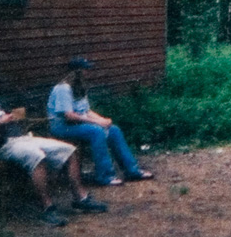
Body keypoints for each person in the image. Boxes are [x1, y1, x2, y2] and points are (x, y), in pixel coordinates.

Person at [0, 67, 108, 226]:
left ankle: (81, 198)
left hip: (22, 139)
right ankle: (48, 208)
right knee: (37, 156)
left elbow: (6, 118)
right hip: (2, 146)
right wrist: (0, 122)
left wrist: (13, 118)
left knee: (69, 150)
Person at [47, 57, 154, 186]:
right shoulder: (63, 89)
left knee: (114, 130)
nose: (88, 72)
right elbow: (69, 116)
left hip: (78, 124)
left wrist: (102, 119)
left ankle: (132, 170)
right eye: (86, 70)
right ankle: (104, 176)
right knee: (96, 131)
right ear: (77, 72)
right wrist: (97, 123)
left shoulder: (79, 87)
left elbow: (86, 111)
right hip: (62, 127)